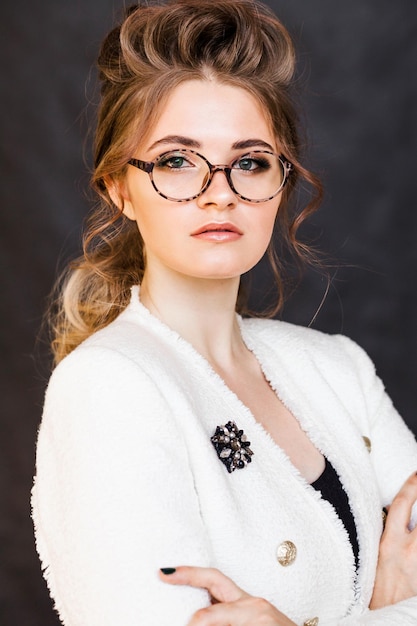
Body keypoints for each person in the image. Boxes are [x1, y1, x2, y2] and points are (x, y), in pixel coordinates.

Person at [31, 1, 417, 624]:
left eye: (250, 161)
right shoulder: (107, 386)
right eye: (177, 161)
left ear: (281, 183)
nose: (219, 191)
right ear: (119, 189)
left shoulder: (338, 369)